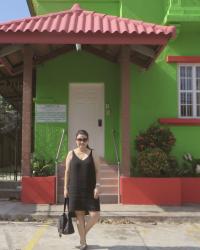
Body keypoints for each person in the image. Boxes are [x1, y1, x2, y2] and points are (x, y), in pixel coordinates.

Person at [64, 129, 101, 250]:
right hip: (75, 189)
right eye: (80, 139)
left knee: (95, 215)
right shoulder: (71, 154)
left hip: (90, 189)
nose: (82, 141)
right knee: (79, 216)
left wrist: (98, 186)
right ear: (76, 140)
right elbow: (67, 172)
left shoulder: (93, 153)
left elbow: (98, 171)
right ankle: (83, 242)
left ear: (87, 140)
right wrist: (65, 188)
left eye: (84, 139)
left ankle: (82, 235)